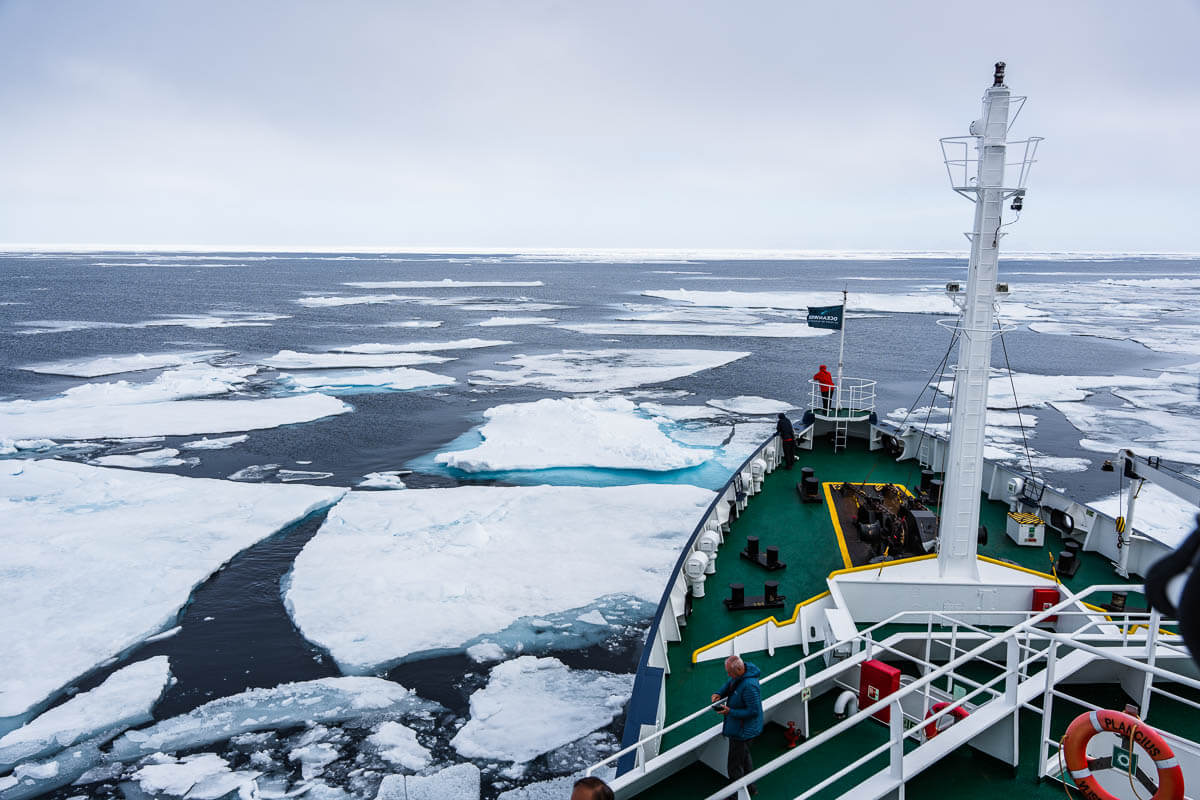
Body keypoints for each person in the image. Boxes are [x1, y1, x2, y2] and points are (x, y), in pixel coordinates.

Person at [712, 655, 763, 798]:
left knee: (734, 766)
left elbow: (753, 711)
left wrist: (730, 711)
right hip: (743, 729)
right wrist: (719, 693)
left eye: (729, 672)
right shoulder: (741, 675)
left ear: (739, 669)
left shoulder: (749, 686)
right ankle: (751, 788)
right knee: (745, 758)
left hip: (743, 732)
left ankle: (735, 796)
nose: (728, 675)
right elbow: (731, 683)